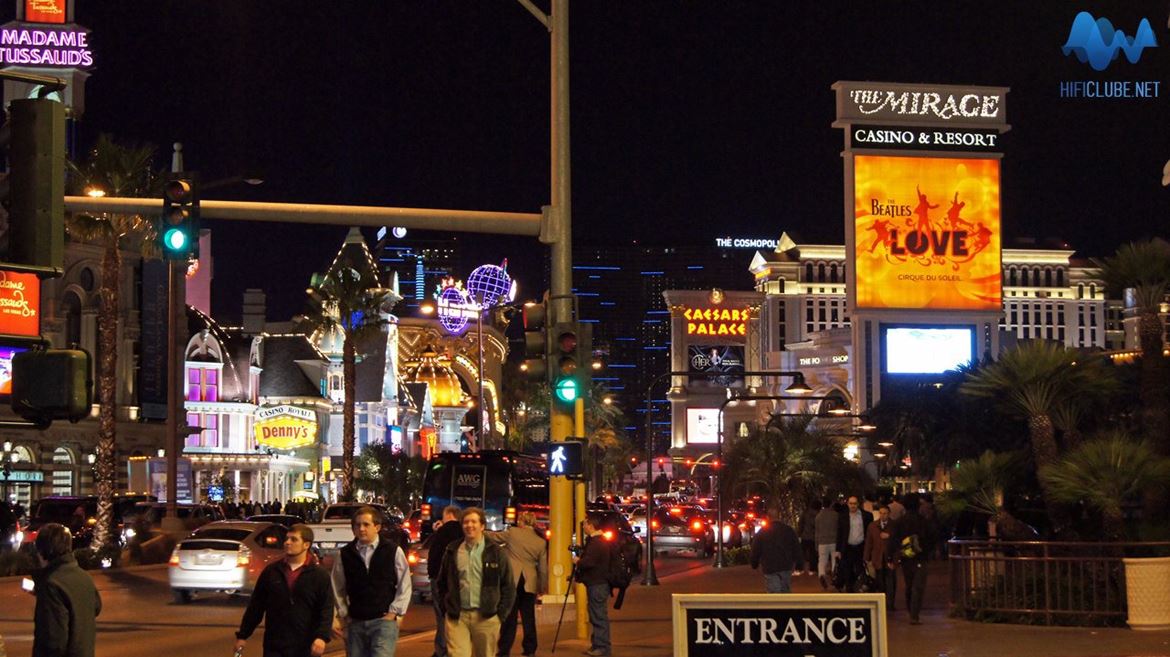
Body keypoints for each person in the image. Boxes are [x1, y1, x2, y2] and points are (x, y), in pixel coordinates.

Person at [235, 524, 334, 657]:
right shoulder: (272, 572)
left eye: (294, 540)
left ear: (306, 545)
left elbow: (326, 609)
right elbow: (256, 606)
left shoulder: (319, 575)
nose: (287, 543)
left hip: (305, 645)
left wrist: (321, 637)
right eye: (287, 539)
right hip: (275, 644)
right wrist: (243, 635)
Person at [331, 506, 412, 657]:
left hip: (383, 622)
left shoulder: (393, 551)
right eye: (357, 525)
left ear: (377, 527)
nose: (361, 529)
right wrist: (344, 615)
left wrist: (394, 613)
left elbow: (404, 584)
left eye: (366, 524)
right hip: (355, 623)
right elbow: (337, 587)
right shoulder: (344, 554)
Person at [436, 507, 516, 657]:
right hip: (457, 617)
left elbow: (508, 586)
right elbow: (442, 582)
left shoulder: (496, 552)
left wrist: (500, 615)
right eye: (466, 522)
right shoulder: (452, 550)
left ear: (482, 526)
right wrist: (446, 607)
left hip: (487, 618)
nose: (469, 525)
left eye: (474, 521)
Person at [31, 523, 101, 657]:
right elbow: (96, 606)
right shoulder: (84, 577)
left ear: (42, 552)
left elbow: (53, 641)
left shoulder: (52, 584)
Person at [486, 512, 547, 657]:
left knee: (509, 616)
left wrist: (480, 530)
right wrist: (542, 587)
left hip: (512, 580)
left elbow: (494, 537)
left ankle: (504, 649)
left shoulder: (513, 533)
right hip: (529, 582)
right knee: (528, 617)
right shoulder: (541, 542)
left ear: (521, 521)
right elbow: (543, 569)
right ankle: (530, 648)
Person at [889, 493, 936, 624]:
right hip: (921, 557)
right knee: (918, 586)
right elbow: (932, 538)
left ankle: (911, 610)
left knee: (909, 585)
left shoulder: (900, 522)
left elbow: (893, 540)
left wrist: (891, 556)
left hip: (906, 558)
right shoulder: (924, 521)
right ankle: (914, 614)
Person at [572, 516, 611, 657]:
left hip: (597, 584)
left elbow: (589, 562)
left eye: (585, 525)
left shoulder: (596, 543)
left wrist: (578, 561)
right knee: (597, 615)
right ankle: (598, 645)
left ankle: (602, 647)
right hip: (598, 584)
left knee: (598, 616)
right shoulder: (599, 541)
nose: (583, 527)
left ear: (591, 526)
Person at [429, 505, 465, 657]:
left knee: (441, 615)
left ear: (449, 515)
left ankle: (441, 649)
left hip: (439, 578)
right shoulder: (464, 531)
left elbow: (434, 554)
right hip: (459, 580)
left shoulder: (441, 532)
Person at [749, 508, 802, 593]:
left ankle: (776, 605)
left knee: (774, 592)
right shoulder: (788, 530)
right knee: (785, 590)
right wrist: (799, 563)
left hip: (770, 566)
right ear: (779, 516)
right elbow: (796, 547)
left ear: (768, 517)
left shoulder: (762, 532)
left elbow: (756, 548)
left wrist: (754, 563)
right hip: (786, 565)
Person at [834, 496, 873, 592]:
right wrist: (838, 550)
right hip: (847, 548)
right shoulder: (842, 516)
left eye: (854, 503)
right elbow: (839, 533)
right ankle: (849, 592)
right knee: (847, 571)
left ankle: (859, 590)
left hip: (861, 547)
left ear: (858, 504)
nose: (853, 506)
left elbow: (869, 533)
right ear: (848, 504)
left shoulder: (867, 516)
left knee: (860, 570)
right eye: (851, 503)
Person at [863, 504, 897, 610]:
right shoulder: (873, 526)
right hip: (877, 557)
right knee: (880, 581)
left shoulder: (894, 525)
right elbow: (869, 542)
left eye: (885, 513)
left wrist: (890, 536)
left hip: (890, 557)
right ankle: (882, 602)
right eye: (881, 513)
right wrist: (866, 557)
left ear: (889, 514)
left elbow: (899, 541)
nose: (883, 515)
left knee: (890, 581)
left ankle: (890, 604)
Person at [813, 497, 838, 590]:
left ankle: (821, 574)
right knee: (834, 560)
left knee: (822, 560)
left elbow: (817, 531)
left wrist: (816, 544)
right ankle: (834, 575)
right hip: (834, 540)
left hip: (822, 542)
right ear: (831, 504)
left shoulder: (818, 516)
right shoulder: (835, 515)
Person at [796, 499, 819, 576]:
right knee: (813, 554)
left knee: (801, 553)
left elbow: (801, 524)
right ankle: (813, 569)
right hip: (813, 537)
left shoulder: (805, 513)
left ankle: (799, 568)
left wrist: (799, 534)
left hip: (805, 536)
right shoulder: (818, 514)